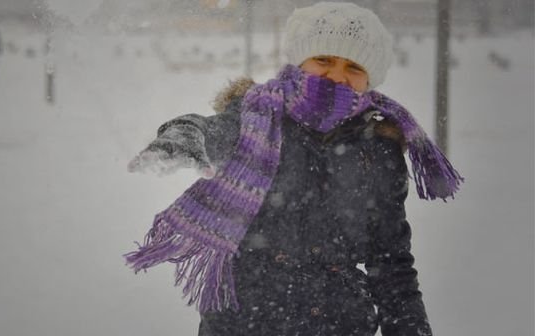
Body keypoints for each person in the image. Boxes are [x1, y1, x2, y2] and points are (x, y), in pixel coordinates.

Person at [125, 2, 463, 336]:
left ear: (369, 79)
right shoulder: (257, 118)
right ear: (301, 60)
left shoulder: (379, 150)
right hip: (243, 323)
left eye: (354, 67)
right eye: (324, 60)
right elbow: (207, 129)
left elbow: (391, 264)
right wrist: (182, 137)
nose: (337, 76)